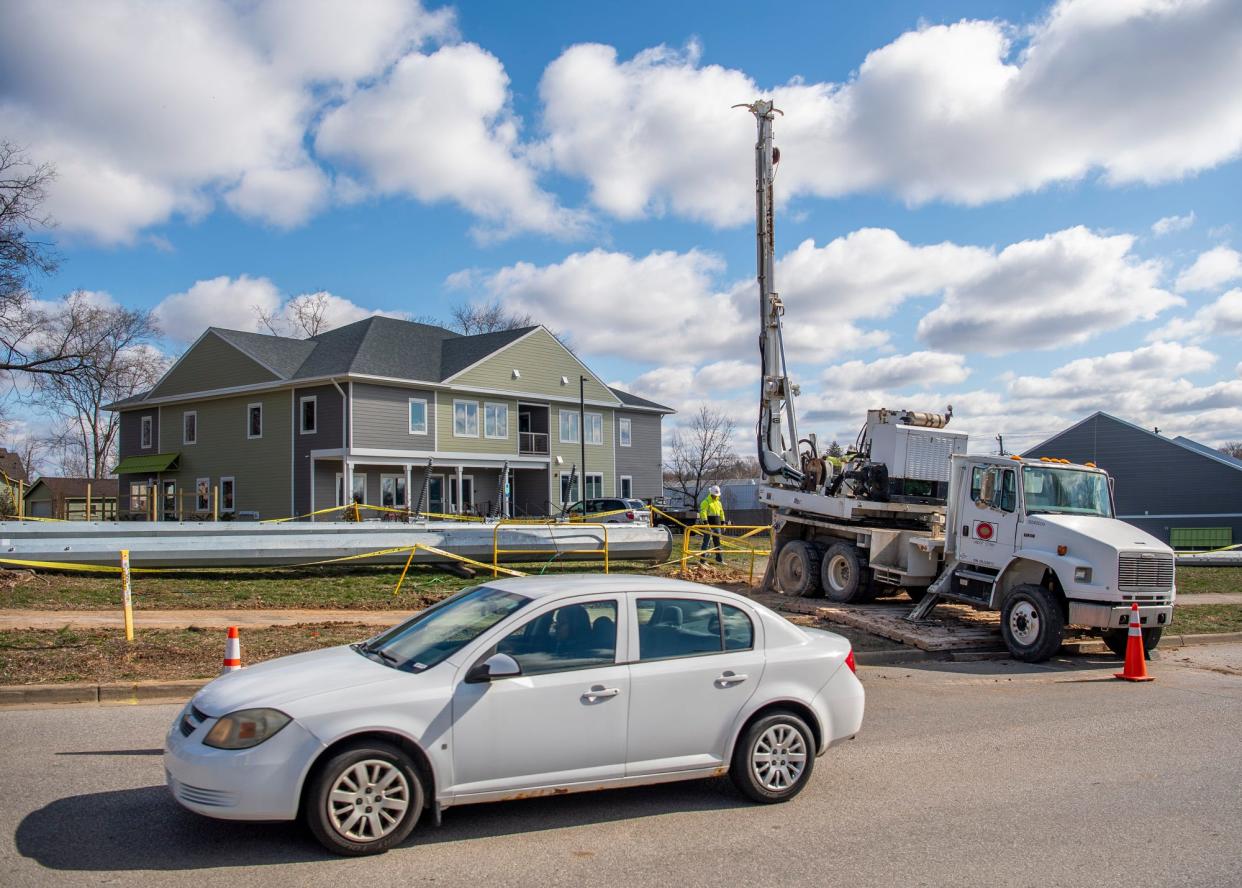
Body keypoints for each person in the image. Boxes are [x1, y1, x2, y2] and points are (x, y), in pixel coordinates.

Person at [698, 485, 727, 564]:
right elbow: (703, 513)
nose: (715, 496)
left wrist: (723, 523)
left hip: (717, 526)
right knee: (706, 543)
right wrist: (706, 524)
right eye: (714, 495)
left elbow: (721, 513)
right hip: (709, 526)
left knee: (717, 543)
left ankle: (719, 560)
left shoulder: (719, 503)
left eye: (717, 495)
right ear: (711, 493)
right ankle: (702, 561)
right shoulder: (706, 502)